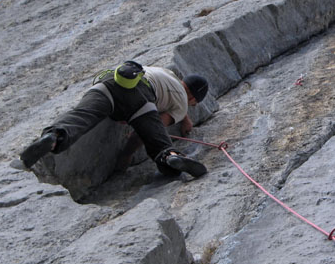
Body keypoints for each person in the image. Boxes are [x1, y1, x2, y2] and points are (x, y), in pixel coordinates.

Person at [20, 61, 209, 178]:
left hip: (111, 81)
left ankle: (54, 137)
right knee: (158, 142)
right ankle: (171, 158)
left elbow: (177, 93)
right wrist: (125, 155)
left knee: (80, 117)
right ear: (193, 99)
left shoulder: (165, 72)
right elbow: (152, 128)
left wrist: (184, 118)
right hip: (140, 97)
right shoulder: (182, 103)